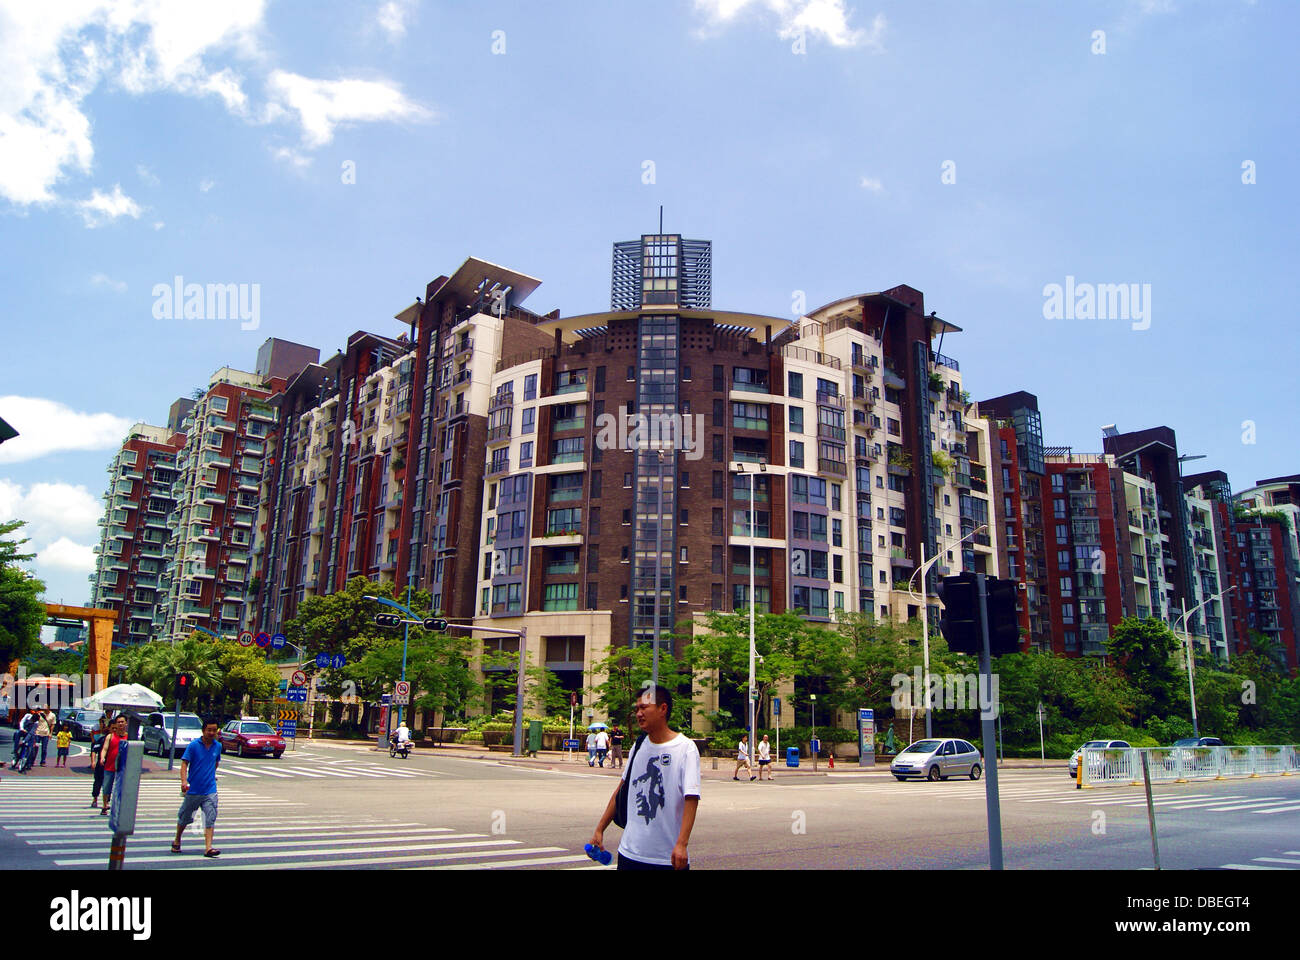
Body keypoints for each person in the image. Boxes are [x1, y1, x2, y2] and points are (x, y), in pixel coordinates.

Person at [589, 683, 700, 871]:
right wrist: (600, 829)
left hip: (666, 859)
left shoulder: (685, 748)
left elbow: (691, 798)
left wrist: (682, 844)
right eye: (637, 708)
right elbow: (622, 790)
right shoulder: (639, 745)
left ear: (662, 709)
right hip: (629, 854)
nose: (639, 713)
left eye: (644, 707)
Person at [173, 717, 223, 857]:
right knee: (185, 817)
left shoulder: (217, 746)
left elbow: (215, 762)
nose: (212, 733)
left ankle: (208, 848)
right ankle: (177, 839)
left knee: (210, 817)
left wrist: (211, 774)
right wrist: (184, 781)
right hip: (193, 789)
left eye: (214, 730)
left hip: (210, 790)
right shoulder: (194, 745)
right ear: (203, 731)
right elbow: (184, 764)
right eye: (209, 730)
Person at [100, 714, 128, 815]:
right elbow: (105, 749)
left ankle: (118, 806)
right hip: (110, 766)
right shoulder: (110, 736)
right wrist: (102, 757)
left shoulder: (129, 737)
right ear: (116, 724)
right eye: (118, 722)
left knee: (121, 788)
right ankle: (104, 805)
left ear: (126, 723)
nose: (120, 724)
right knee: (107, 786)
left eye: (122, 722)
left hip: (123, 768)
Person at [89, 717, 109, 807]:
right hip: (100, 765)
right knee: (97, 782)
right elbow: (94, 750)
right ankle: (95, 799)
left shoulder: (115, 740)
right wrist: (93, 761)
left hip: (110, 766)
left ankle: (106, 802)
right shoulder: (101, 739)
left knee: (108, 783)